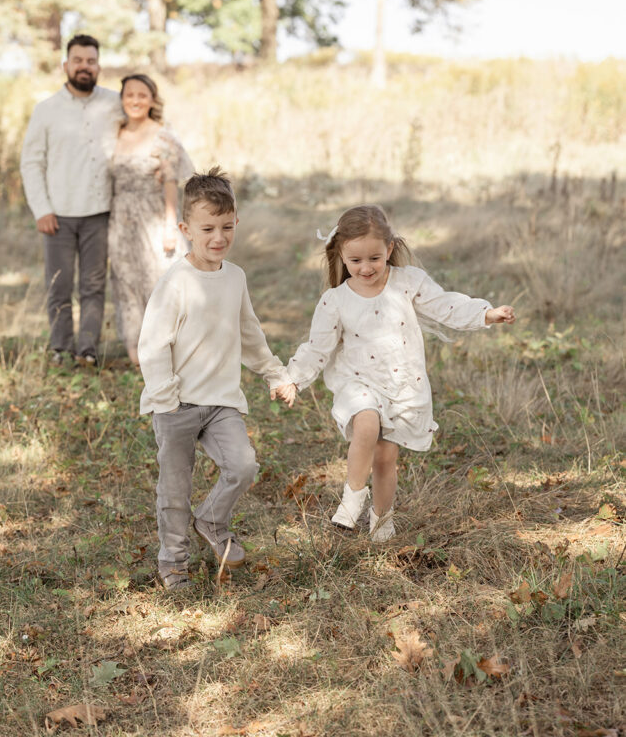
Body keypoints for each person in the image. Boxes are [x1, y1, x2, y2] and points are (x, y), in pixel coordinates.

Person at [286, 205, 515, 543]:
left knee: (386, 457)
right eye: (356, 261)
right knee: (366, 422)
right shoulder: (335, 301)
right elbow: (317, 348)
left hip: (401, 384)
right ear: (342, 256)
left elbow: (445, 305)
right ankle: (352, 499)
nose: (366, 268)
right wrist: (293, 378)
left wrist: (486, 314)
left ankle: (382, 522)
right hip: (358, 381)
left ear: (389, 249)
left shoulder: (407, 283)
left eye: (375, 259)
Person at [137, 167, 296, 590]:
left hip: (221, 401)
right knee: (174, 489)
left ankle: (212, 518)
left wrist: (274, 373)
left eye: (227, 227)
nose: (218, 237)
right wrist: (166, 398)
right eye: (207, 228)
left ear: (236, 223)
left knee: (243, 465)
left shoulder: (236, 277)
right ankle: (173, 561)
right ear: (186, 228)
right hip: (176, 404)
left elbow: (250, 333)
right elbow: (152, 345)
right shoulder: (176, 282)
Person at [20, 34, 122, 366]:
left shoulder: (114, 102)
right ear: (66, 65)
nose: (84, 67)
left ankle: (88, 350)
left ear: (98, 66)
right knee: (59, 287)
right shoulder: (46, 110)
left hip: (100, 212)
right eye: (77, 60)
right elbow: (32, 163)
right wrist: (42, 209)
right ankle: (61, 349)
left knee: (93, 287)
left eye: (90, 61)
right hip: (58, 215)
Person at [108, 73, 193, 365]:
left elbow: (171, 182)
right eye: (129, 94)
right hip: (120, 220)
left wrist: (171, 225)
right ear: (121, 99)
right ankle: (136, 351)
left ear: (152, 99)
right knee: (127, 281)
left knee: (161, 280)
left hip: (154, 215)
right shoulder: (115, 133)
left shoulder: (162, 134)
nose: (135, 100)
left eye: (142, 95)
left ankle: (171, 347)